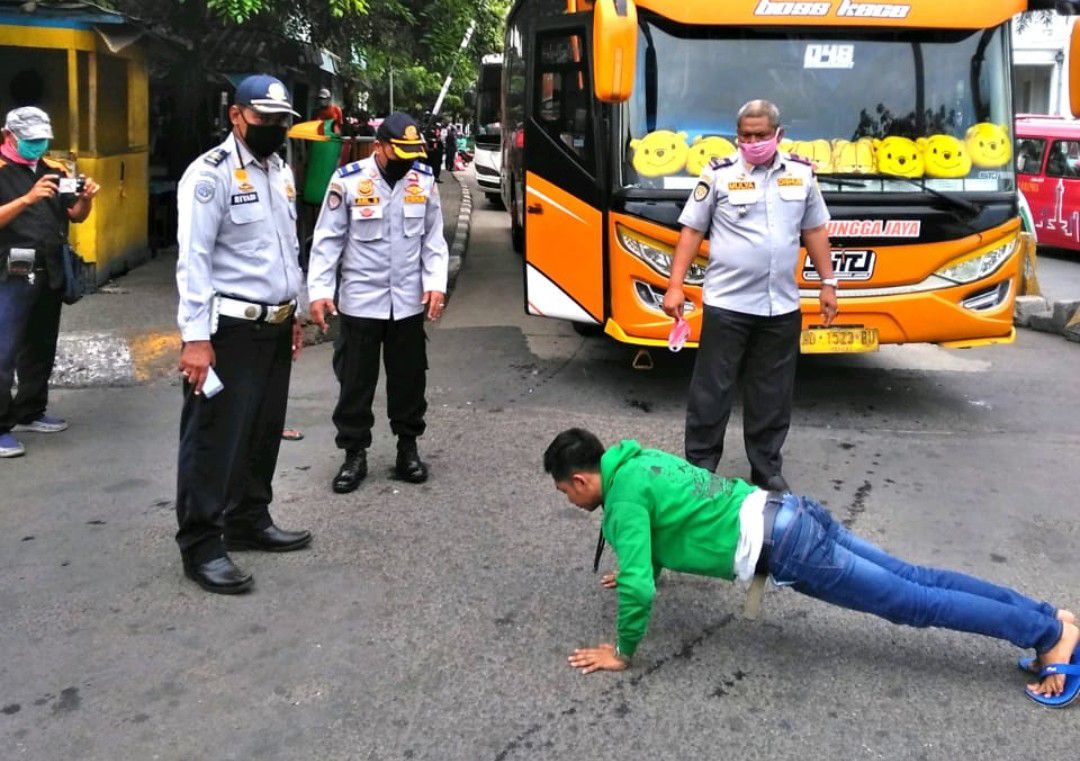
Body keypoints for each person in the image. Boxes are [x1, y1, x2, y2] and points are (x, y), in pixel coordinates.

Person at [543, 428, 1080, 708]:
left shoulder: (621, 502)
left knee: (915, 603)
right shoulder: (637, 462)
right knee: (918, 580)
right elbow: (669, 522)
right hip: (792, 511)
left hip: (790, 547)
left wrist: (622, 651)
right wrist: (643, 567)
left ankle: (1049, 635)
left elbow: (638, 587)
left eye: (566, 491)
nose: (570, 500)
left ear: (582, 480)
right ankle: (1048, 618)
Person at [174, 74, 312, 594]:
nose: (274, 127)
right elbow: (194, 260)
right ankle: (201, 545)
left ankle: (249, 518)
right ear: (236, 116)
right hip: (227, 330)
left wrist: (294, 312)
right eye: (264, 118)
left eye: (282, 120)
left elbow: (286, 248)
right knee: (213, 439)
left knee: (261, 429)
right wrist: (195, 339)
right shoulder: (209, 176)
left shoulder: (279, 170)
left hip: (273, 325)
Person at [662, 99, 839, 493]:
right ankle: (701, 468)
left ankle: (766, 469)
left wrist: (828, 283)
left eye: (761, 135)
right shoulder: (719, 174)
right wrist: (675, 285)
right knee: (712, 391)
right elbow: (692, 230)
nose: (753, 142)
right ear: (737, 136)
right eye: (746, 135)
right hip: (728, 305)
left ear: (779, 134)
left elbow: (814, 230)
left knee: (772, 393)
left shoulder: (801, 174)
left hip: (781, 306)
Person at [307, 111, 449, 493]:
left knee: (409, 380)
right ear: (381, 146)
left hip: (407, 302)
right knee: (355, 382)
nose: (407, 160)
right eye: (399, 151)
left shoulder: (423, 180)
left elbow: (433, 240)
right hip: (361, 301)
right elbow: (328, 240)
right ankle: (354, 453)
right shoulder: (349, 181)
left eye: (412, 152)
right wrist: (320, 291)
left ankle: (408, 448)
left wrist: (436, 284)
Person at [0, 107, 99, 459]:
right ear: (8, 136)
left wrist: (85, 198)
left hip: (50, 269)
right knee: (3, 350)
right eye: (30, 140)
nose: (37, 145)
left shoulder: (54, 170)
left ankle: (30, 410)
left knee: (40, 346)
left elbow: (76, 215)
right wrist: (27, 199)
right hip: (9, 273)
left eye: (42, 139)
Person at [422, 118, 443, 183]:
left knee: (434, 165)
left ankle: (435, 177)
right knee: (432, 164)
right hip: (431, 151)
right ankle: (432, 177)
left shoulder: (430, 129)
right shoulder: (427, 130)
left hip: (433, 151)